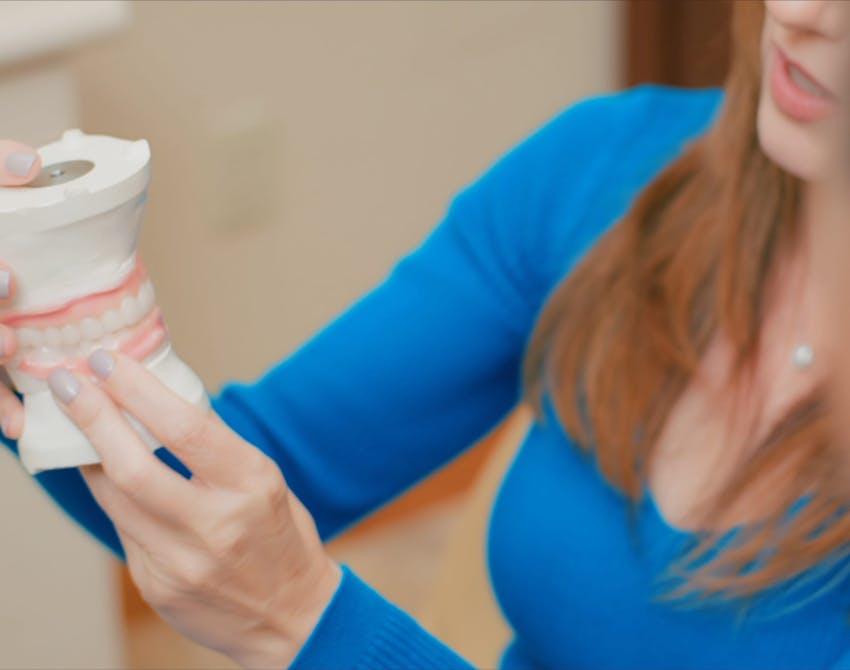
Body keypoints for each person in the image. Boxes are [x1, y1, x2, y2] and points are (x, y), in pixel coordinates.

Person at [2, 1, 850, 668]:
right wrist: (34, 342)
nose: (806, 10)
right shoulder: (609, 169)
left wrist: (309, 625)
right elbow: (236, 483)